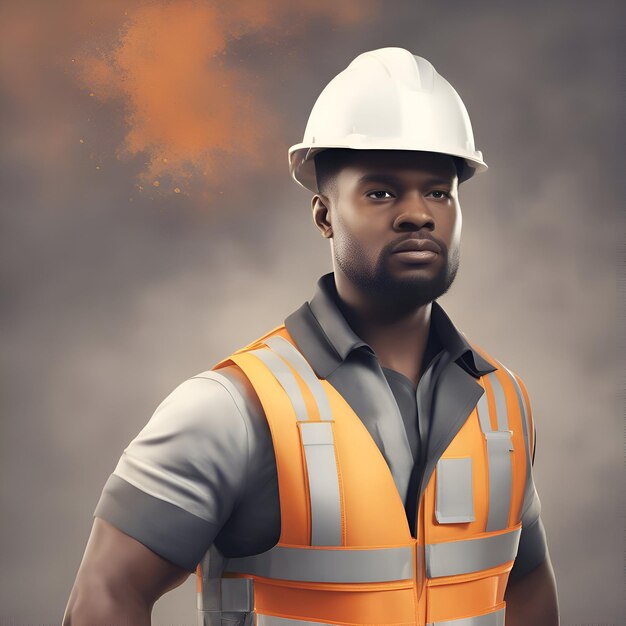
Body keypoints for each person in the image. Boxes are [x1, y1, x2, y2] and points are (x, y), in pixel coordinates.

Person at [64, 47, 559, 625]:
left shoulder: (503, 402)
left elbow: (524, 582)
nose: (417, 214)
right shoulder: (231, 407)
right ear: (324, 215)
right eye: (380, 192)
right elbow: (104, 595)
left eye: (438, 191)